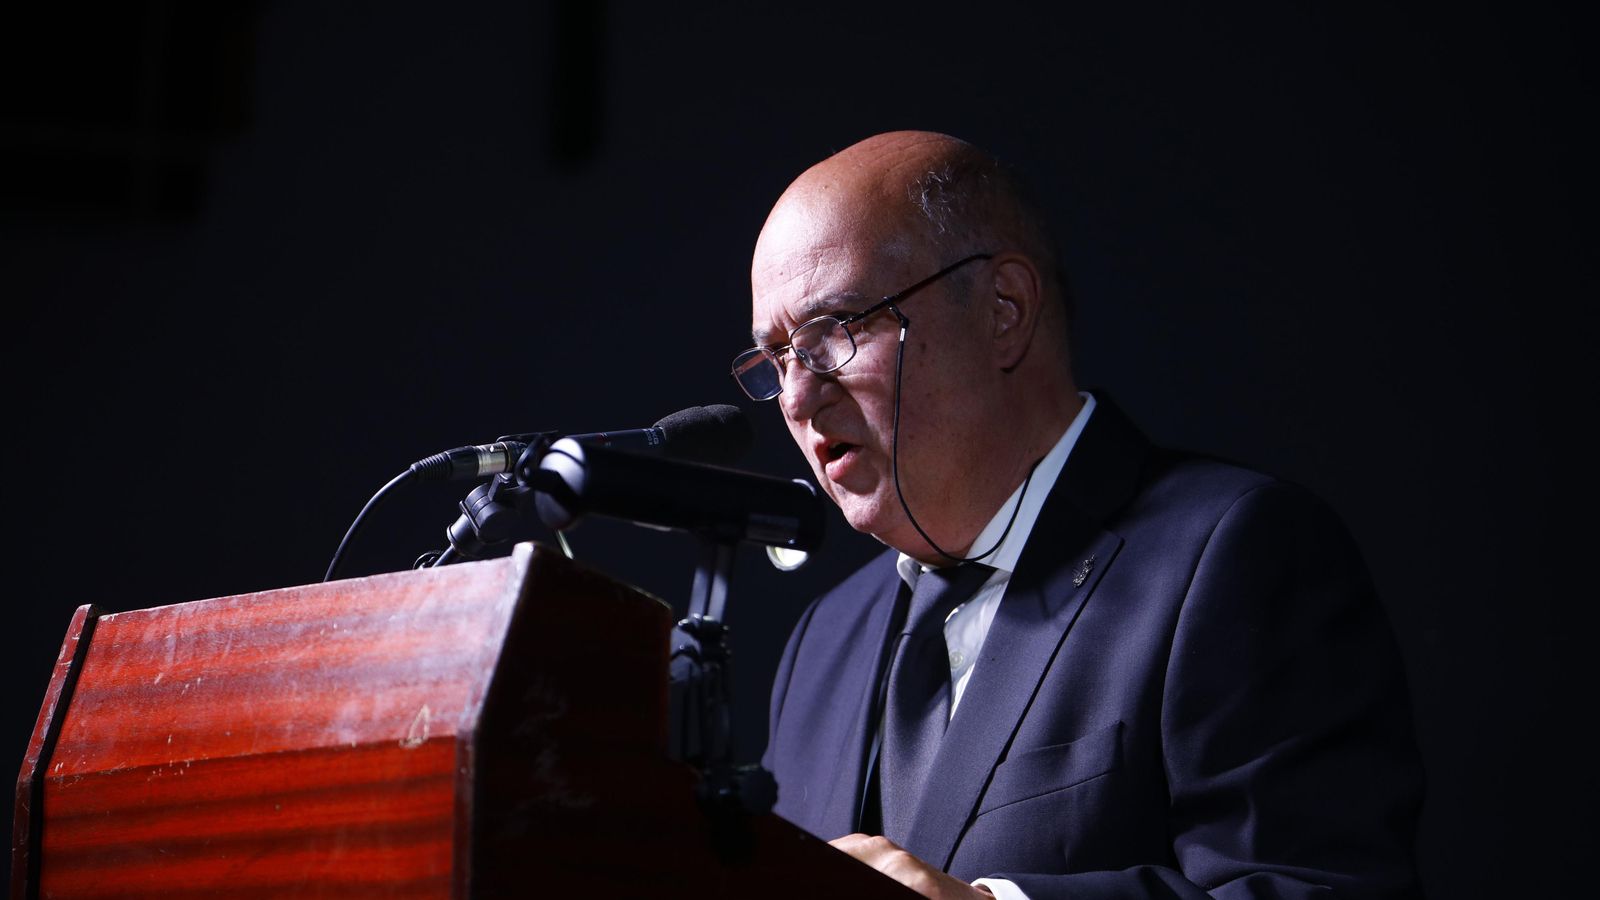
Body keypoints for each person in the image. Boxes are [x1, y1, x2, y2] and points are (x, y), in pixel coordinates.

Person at [738, 131, 1423, 899]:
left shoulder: (1238, 553)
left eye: (834, 331)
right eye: (776, 358)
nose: (796, 399)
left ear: (1005, 310)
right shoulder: (823, 640)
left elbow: (1316, 887)